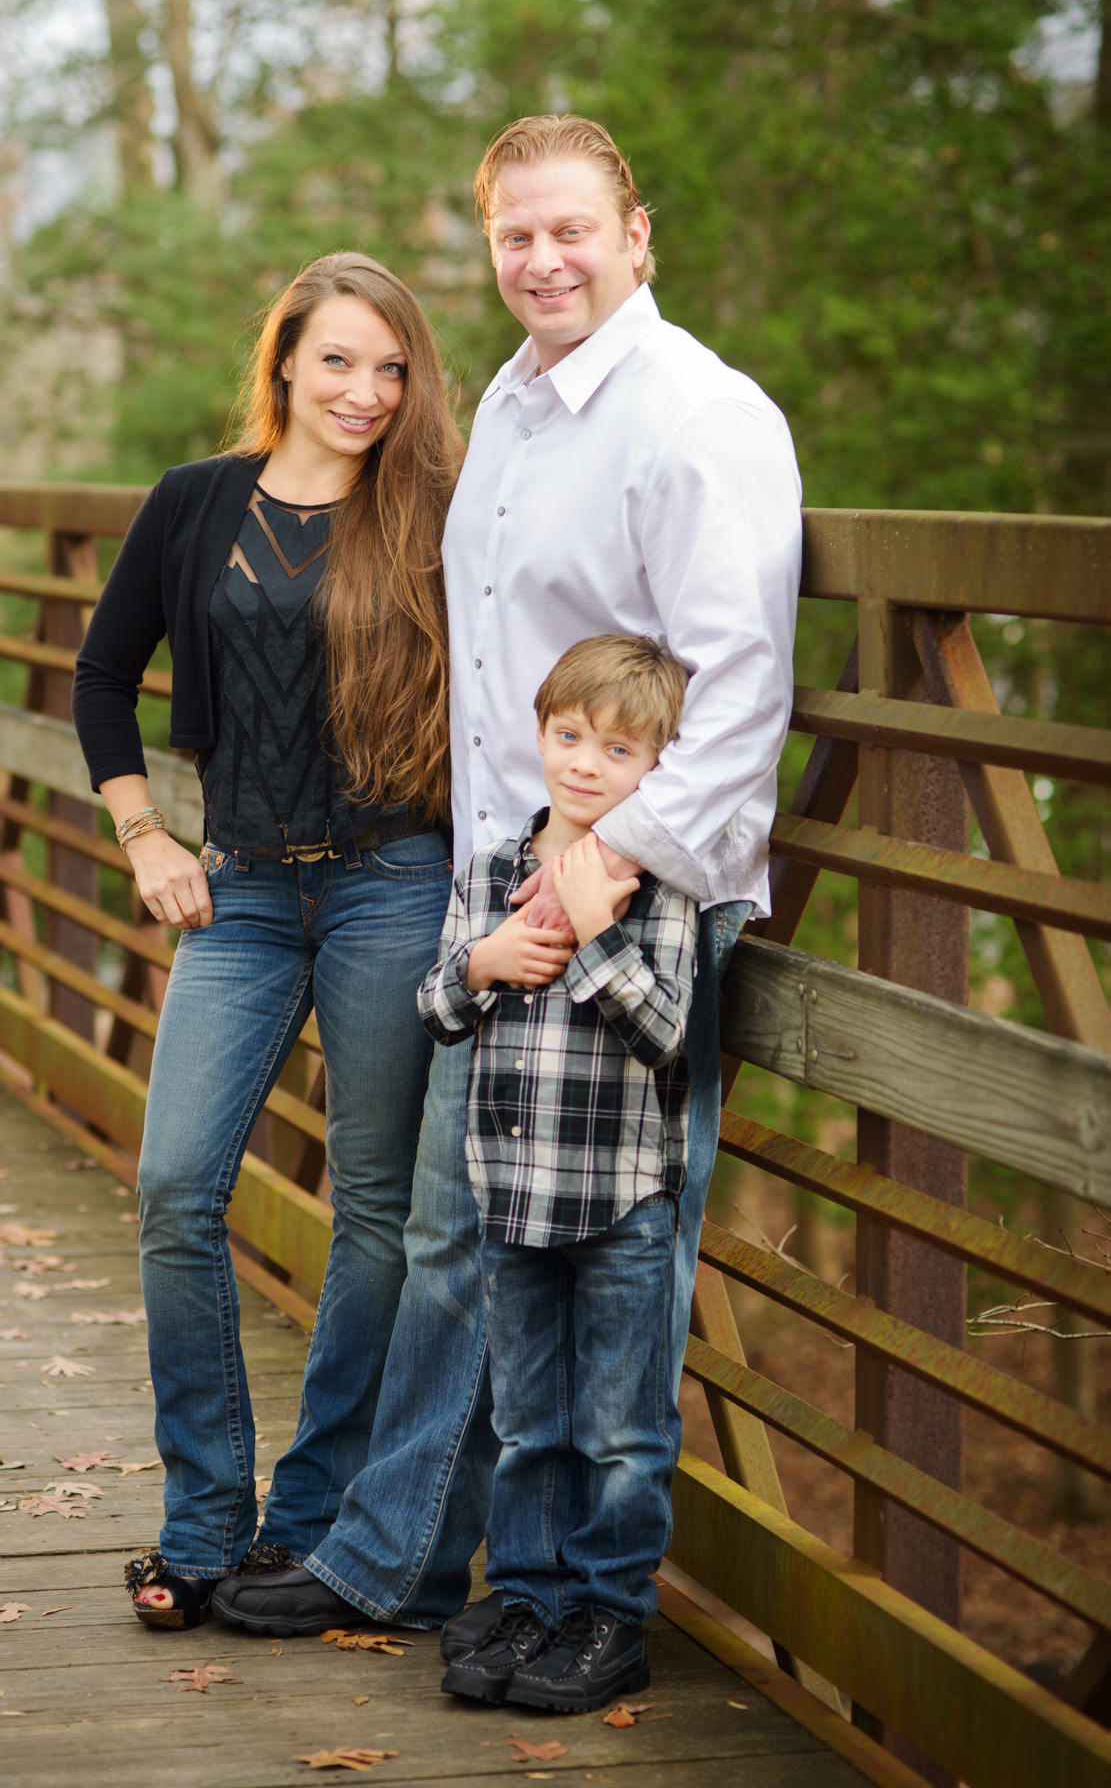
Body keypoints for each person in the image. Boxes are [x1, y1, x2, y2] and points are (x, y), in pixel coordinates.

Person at [214, 116, 803, 1659]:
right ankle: (422, 1559)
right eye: (512, 237)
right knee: (455, 1234)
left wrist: (598, 872)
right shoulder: (520, 408)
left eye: (569, 230)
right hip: (501, 885)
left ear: (635, 232)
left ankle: (561, 1593)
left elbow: (737, 692)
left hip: (630, 901)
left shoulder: (693, 417)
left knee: (611, 1272)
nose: (540, 260)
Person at [71, 252, 461, 1628]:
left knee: (371, 1217)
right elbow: (103, 676)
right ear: (285, 359)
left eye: (391, 368)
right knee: (176, 1189)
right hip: (235, 893)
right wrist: (145, 835)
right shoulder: (195, 503)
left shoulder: (432, 512)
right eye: (338, 360)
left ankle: (309, 1523)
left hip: (391, 884)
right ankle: (201, 1520)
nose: (364, 392)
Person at [421, 634, 695, 1713]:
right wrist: (481, 963)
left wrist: (590, 929)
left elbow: (667, 1031)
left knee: (620, 1426)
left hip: (622, 1195)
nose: (584, 762)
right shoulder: (489, 867)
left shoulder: (659, 886)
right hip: (511, 1191)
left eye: (617, 747)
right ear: (538, 735)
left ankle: (609, 1610)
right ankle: (529, 1595)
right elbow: (435, 1008)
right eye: (568, 735)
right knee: (530, 1416)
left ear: (655, 767)